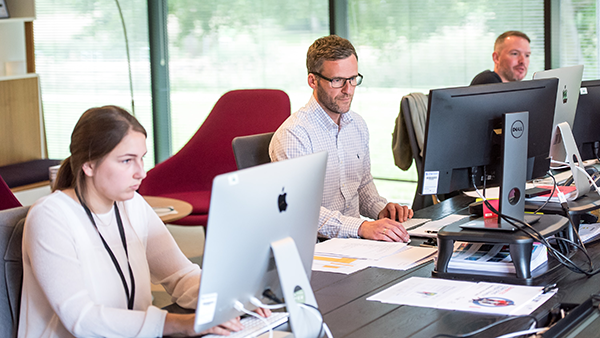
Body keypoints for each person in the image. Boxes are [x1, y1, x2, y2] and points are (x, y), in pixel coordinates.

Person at [18, 106, 269, 337]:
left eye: (142, 158)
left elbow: (180, 275)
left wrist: (230, 301)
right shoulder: (51, 217)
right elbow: (81, 319)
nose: (142, 172)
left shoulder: (131, 204)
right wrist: (179, 324)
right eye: (127, 160)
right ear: (89, 165)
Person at [269, 35, 413, 243]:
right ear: (313, 80)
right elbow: (300, 210)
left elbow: (362, 186)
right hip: (317, 249)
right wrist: (362, 227)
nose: (348, 90)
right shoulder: (294, 135)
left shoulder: (357, 125)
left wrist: (382, 210)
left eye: (353, 79)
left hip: (355, 243)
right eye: (337, 81)